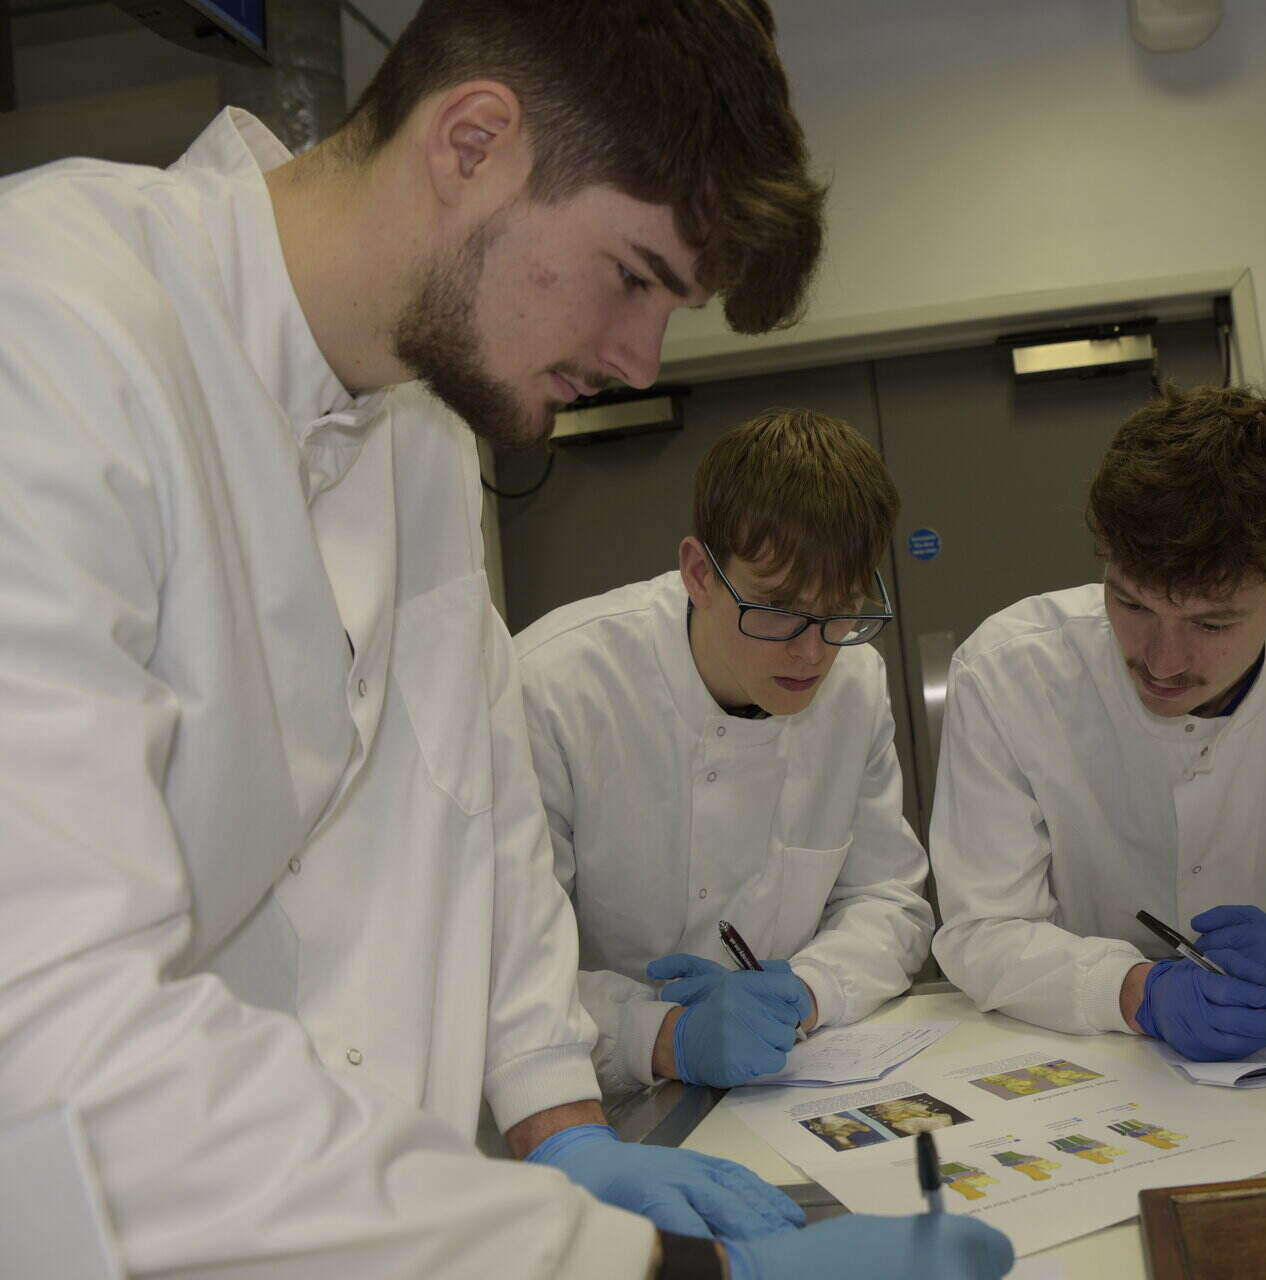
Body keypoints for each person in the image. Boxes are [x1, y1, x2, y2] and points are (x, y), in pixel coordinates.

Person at [0, 2, 1010, 1277]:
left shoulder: (416, 436)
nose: (641, 360)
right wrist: (646, 1270)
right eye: (635, 277)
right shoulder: (47, 329)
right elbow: (41, 1035)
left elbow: (472, 830)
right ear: (472, 141)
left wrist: (562, 1129)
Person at [929, 384, 1266, 1062]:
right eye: (1132, 605)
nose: (1162, 661)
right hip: (1093, 1066)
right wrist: (1136, 993)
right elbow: (982, 929)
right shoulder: (1008, 673)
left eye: (1210, 622)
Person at [516, 409, 934, 1092]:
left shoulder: (854, 682)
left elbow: (889, 901)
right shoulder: (556, 690)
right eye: (777, 608)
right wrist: (660, 1036)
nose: (812, 652)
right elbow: (505, 971)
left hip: (788, 1079)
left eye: (840, 612)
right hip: (599, 1100)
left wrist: (809, 988)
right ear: (699, 574)